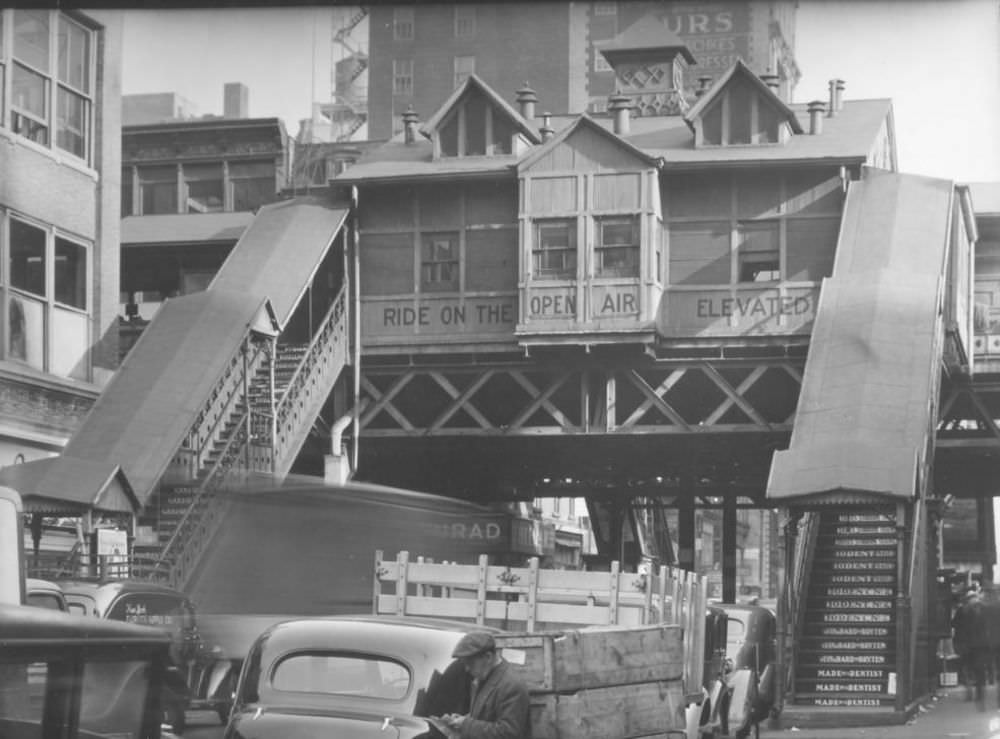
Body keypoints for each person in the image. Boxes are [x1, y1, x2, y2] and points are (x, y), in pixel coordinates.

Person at [433, 632, 530, 739]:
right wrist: (459, 720)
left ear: (488, 657)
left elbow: (509, 733)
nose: (467, 669)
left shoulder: (512, 685)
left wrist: (466, 724)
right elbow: (485, 715)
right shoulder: (482, 678)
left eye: (470, 663)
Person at [952, 585, 989, 711]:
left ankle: (969, 690)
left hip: (966, 644)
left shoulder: (962, 610)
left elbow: (955, 624)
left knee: (966, 667)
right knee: (978, 669)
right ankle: (979, 694)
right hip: (978, 645)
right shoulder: (984, 609)